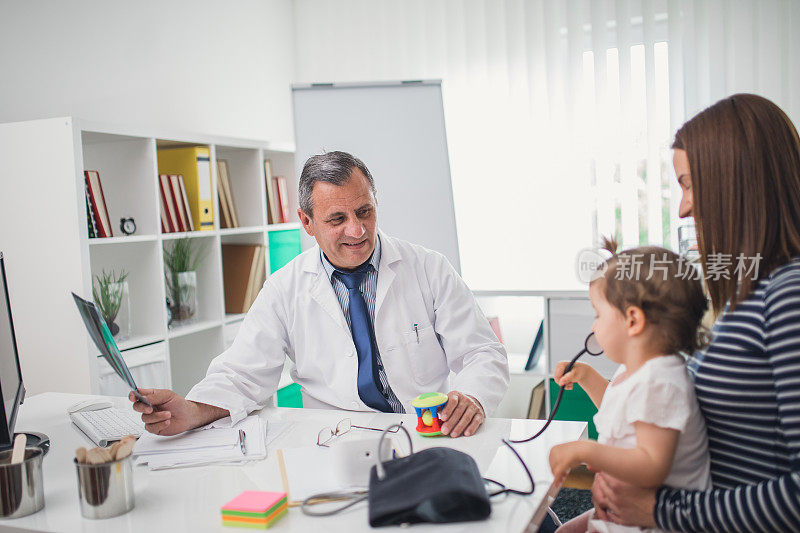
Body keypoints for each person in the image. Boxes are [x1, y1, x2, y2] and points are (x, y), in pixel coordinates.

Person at [130, 151, 509, 439]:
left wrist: (472, 397)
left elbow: (481, 351)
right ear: (307, 222)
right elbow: (242, 374)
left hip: (427, 432)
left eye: (365, 211)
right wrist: (193, 410)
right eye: (337, 219)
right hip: (337, 438)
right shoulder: (284, 289)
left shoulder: (428, 268)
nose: (357, 230)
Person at [590, 94, 800, 531]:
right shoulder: (752, 291)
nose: (683, 207)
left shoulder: (789, 295)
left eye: (688, 184)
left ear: (734, 181)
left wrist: (659, 512)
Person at [548, 242, 711, 533]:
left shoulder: (661, 383)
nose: (594, 327)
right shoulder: (637, 372)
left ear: (633, 320)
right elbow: (620, 415)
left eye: (598, 314)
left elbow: (651, 464)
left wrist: (588, 451)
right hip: (619, 512)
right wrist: (587, 377)